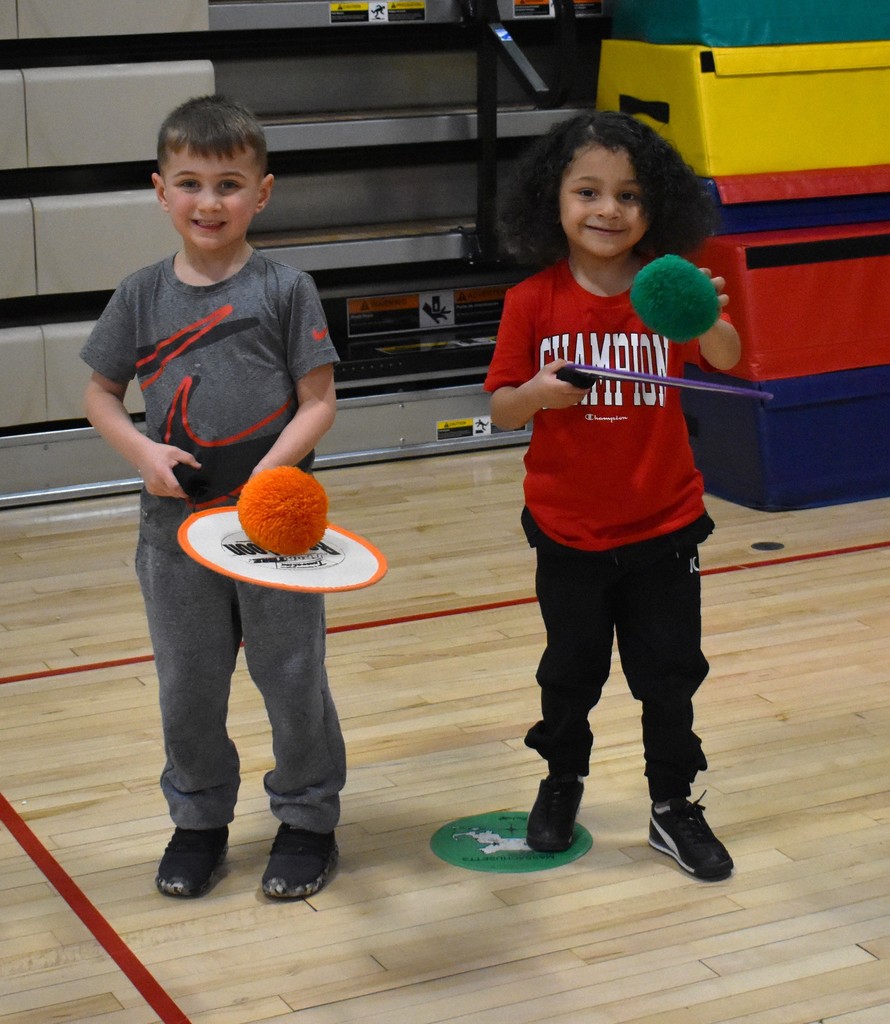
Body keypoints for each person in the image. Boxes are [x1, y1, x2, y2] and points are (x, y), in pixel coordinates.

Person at [81, 95, 345, 900]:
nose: (209, 202)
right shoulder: (139, 294)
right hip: (175, 534)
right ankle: (198, 822)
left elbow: (319, 399)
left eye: (229, 184)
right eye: (190, 183)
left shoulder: (285, 287)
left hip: (275, 531)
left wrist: (273, 471)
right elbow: (99, 392)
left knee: (291, 675)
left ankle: (306, 820)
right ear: (160, 191)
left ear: (261, 193)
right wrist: (141, 450)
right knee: (188, 684)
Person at [484, 110, 741, 881]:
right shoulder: (532, 300)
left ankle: (673, 805)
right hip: (569, 532)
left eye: (629, 195)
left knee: (669, 674)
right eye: (587, 191)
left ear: (655, 206)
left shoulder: (667, 290)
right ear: (552, 202)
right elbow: (499, 406)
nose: (608, 210)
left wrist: (712, 314)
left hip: (664, 525)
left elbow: (724, 359)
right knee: (570, 673)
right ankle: (561, 781)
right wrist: (534, 393)